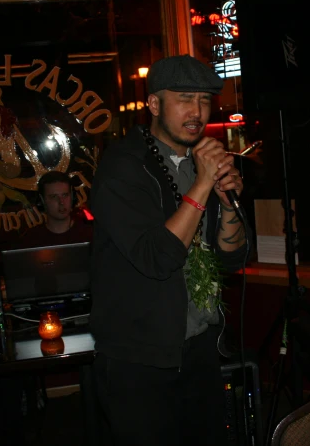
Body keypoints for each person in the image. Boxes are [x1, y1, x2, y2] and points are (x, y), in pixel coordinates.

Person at [89, 54, 249, 446]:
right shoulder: (124, 167)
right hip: (139, 357)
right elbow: (157, 257)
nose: (196, 111)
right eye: (184, 98)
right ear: (155, 104)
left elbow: (231, 258)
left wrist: (227, 203)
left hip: (199, 348)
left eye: (204, 100)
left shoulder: (201, 162)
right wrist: (202, 185)